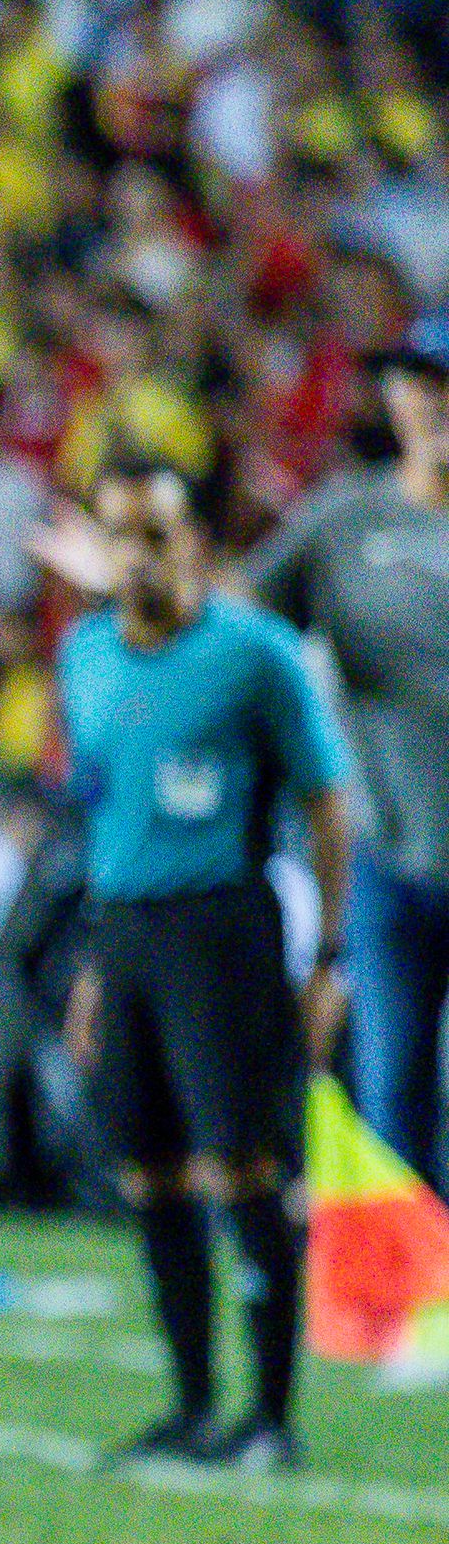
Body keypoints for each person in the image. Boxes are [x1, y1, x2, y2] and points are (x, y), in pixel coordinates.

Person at [62, 457, 355, 1473]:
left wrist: (325, 954)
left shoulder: (252, 654)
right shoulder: (82, 655)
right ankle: (190, 1408)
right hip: (123, 929)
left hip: (220, 926)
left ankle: (270, 1417)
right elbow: (102, 805)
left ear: (194, 540)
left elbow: (325, 802)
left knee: (240, 1162)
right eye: (117, 535)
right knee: (146, 1171)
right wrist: (95, 968)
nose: (136, 555)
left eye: (155, 533)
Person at [248, 337, 449, 1175]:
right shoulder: (343, 520)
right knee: (392, 1080)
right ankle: (412, 1300)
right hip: (389, 847)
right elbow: (245, 634)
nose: (439, 402)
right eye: (424, 382)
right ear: (397, 398)